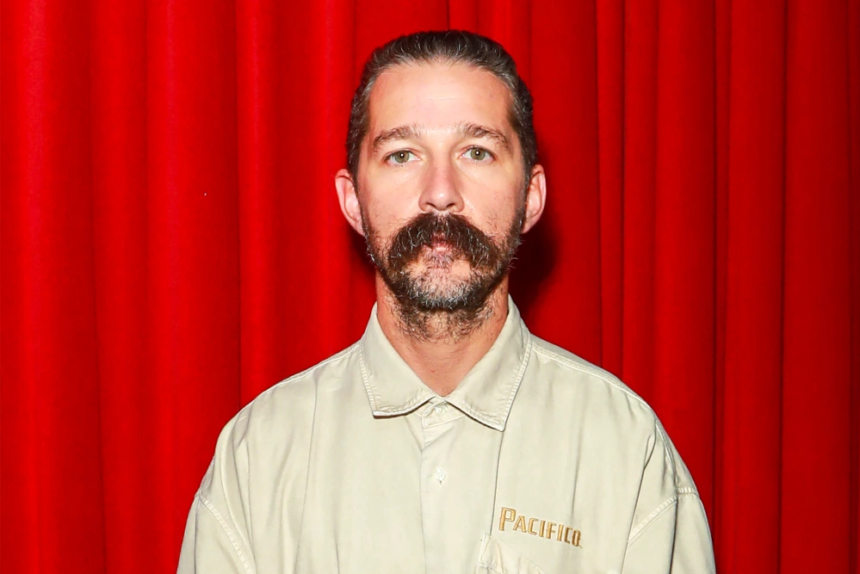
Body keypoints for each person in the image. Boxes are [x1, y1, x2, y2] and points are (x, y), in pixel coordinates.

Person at [177, 30, 715, 573]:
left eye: (476, 151)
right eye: (402, 154)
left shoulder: (626, 448)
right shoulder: (257, 457)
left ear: (530, 197)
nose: (440, 190)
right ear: (352, 201)